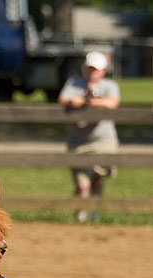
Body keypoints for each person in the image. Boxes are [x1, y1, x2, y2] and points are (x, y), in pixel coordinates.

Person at [57, 51, 121, 222]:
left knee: (97, 180)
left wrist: (91, 102)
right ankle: (80, 215)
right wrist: (76, 102)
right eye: (90, 68)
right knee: (81, 183)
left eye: (96, 69)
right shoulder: (74, 83)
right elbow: (63, 100)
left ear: (103, 71)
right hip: (78, 141)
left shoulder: (109, 86)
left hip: (102, 140)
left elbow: (113, 103)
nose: (92, 72)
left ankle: (94, 213)